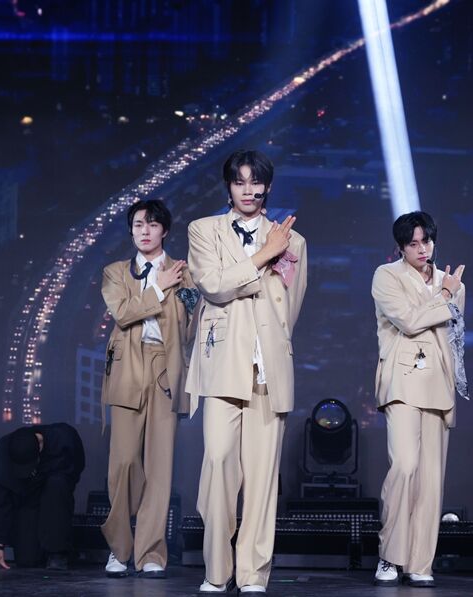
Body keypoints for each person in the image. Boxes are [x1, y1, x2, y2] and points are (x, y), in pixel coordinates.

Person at [186, 149, 307, 594]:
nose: (249, 190)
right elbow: (213, 285)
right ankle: (217, 571)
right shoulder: (204, 230)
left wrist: (275, 253)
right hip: (222, 366)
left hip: (268, 371)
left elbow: (289, 309)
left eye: (256, 182)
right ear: (229, 186)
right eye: (240, 182)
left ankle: (253, 574)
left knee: (262, 480)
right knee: (218, 464)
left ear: (267, 186)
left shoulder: (293, 242)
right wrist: (263, 256)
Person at [99, 199, 197, 579]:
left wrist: (183, 290)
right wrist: (158, 287)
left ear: (164, 231)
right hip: (128, 365)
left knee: (160, 465)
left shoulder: (182, 273)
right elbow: (123, 313)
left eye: (152, 225)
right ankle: (119, 549)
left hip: (165, 368)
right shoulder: (115, 272)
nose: (144, 231)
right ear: (131, 229)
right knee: (124, 462)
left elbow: (190, 326)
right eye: (138, 224)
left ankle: (152, 551)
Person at [371, 211, 466, 588]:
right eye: (413, 243)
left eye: (426, 241)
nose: (422, 249)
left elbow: (453, 336)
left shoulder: (452, 282)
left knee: (431, 480)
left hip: (438, 383)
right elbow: (409, 321)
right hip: (402, 380)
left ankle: (420, 562)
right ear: (401, 247)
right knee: (405, 466)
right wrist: (444, 296)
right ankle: (390, 555)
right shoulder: (386, 275)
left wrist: (449, 292)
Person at [0, 423, 85, 571]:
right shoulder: (2, 454)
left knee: (57, 484)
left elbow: (74, 471)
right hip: (26, 495)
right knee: (27, 560)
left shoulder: (63, 440)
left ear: (40, 446)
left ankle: (57, 552)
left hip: (54, 491)